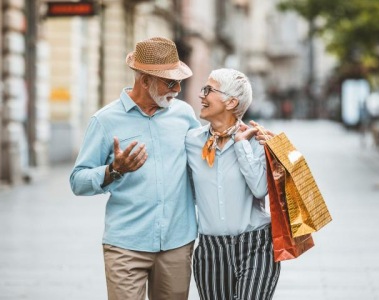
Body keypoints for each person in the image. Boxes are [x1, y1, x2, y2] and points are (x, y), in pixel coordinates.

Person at [69, 37, 200, 300]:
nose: (177, 88)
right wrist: (113, 169)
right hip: (125, 245)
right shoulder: (105, 120)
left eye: (179, 81)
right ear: (144, 80)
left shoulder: (184, 115)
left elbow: (206, 162)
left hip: (177, 242)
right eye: (169, 81)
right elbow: (77, 180)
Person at [185, 68, 281, 300]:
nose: (201, 95)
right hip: (210, 250)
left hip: (256, 245)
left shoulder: (257, 140)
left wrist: (241, 145)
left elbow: (260, 188)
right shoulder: (191, 142)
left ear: (231, 102)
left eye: (208, 90)